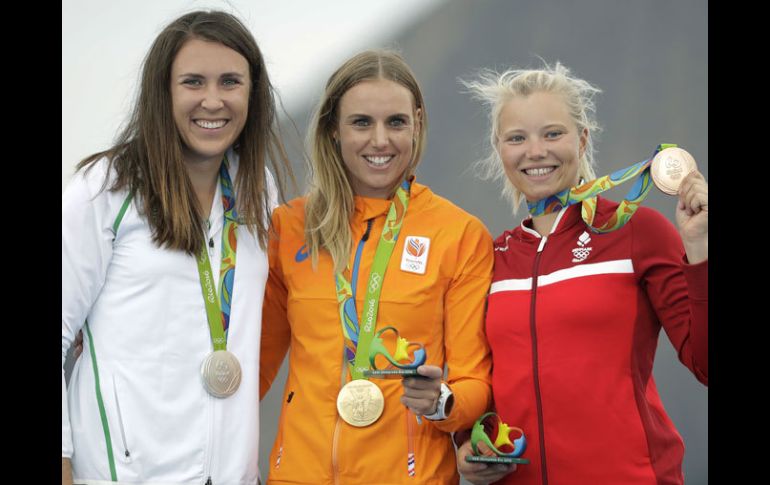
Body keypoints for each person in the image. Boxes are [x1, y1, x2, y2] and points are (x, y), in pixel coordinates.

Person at [62, 10, 294, 485]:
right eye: (193, 82)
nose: (213, 101)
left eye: (230, 82)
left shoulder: (258, 190)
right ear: (162, 91)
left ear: (253, 92)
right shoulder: (104, 189)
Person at [455, 63, 708, 485]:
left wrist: (698, 249)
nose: (535, 151)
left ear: (583, 138)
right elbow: (479, 380)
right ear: (499, 149)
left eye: (552, 133)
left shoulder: (636, 231)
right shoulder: (491, 257)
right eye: (517, 138)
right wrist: (468, 444)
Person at [259, 49, 494, 484]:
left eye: (396, 122)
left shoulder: (459, 234)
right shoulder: (290, 227)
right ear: (333, 128)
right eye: (362, 122)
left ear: (418, 124)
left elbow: (473, 383)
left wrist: (440, 401)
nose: (380, 140)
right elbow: (252, 366)